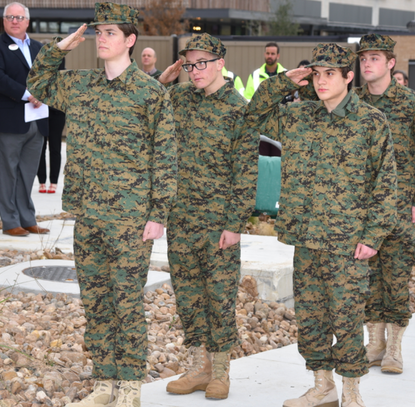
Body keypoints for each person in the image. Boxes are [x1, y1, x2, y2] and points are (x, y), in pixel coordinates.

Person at [27, 3, 178, 406]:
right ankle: (104, 382)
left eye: (110, 32)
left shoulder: (151, 93)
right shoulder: (81, 85)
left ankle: (129, 386)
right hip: (89, 214)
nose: (101, 38)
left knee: (126, 302)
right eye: (98, 32)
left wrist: (157, 214)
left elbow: (164, 157)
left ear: (130, 40)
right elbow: (38, 84)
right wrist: (60, 48)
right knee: (95, 300)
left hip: (130, 219)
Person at [247, 43, 398, 407]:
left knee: (346, 320)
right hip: (307, 238)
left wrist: (373, 236)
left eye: (330, 73)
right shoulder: (299, 117)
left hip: (348, 244)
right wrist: (286, 81)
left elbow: (385, 185)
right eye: (316, 73)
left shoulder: (371, 122)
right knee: (312, 319)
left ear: (349, 76)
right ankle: (322, 385)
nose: (320, 80)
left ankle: (351, 391)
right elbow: (253, 114)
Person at [156, 33, 259, 400]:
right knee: (187, 296)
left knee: (219, 298)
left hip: (218, 223)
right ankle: (198, 368)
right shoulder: (179, 97)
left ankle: (220, 373)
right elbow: (142, 106)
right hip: (181, 218)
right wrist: (162, 80)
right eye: (189, 64)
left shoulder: (238, 108)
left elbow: (246, 173)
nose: (195, 70)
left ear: (220, 64)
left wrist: (235, 224)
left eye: (202, 63)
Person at [356, 34, 415, 374]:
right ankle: (374, 344)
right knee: (366, 281)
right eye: (363, 58)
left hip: (398, 209)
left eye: (374, 58)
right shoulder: (352, 103)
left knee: (394, 280)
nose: (366, 63)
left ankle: (394, 349)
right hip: (360, 209)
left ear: (391, 63)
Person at [0, 2, 50, 237]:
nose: (14, 20)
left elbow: (49, 76)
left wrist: (44, 93)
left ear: (27, 21)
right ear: (3, 21)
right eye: (10, 17)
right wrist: (28, 94)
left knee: (28, 173)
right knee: (8, 172)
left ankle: (27, 218)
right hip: (11, 119)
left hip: (38, 119)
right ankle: (10, 222)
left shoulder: (41, 48)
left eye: (19, 17)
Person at [37, 39, 65, 195]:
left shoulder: (62, 70)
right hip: (40, 111)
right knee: (40, 147)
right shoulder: (37, 71)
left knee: (55, 147)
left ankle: (53, 182)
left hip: (57, 112)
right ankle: (42, 181)